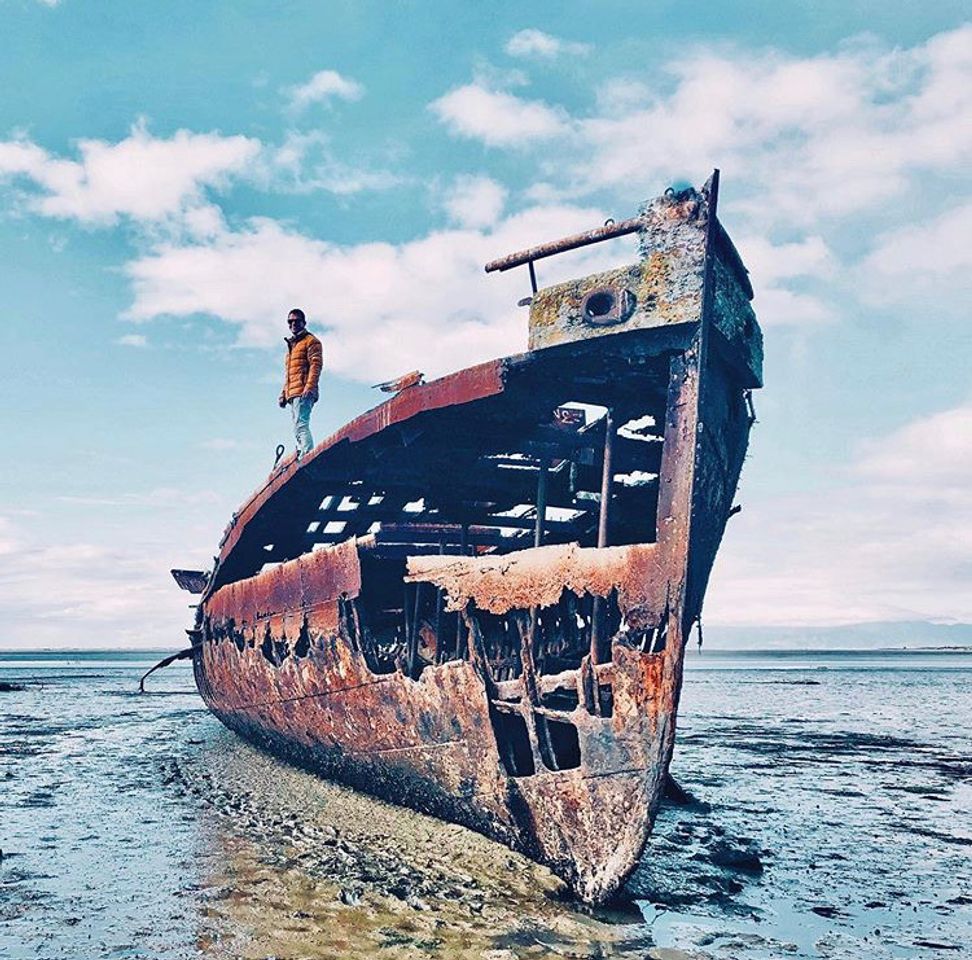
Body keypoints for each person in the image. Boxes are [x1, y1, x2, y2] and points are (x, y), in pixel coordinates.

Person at [277, 308, 323, 457]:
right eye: (290, 321)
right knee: (297, 427)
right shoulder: (292, 347)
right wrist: (284, 393)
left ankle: (307, 456)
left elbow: (316, 365)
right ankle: (303, 453)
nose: (293, 324)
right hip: (293, 393)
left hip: (303, 391)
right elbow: (290, 375)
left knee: (301, 425)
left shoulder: (311, 341)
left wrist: (309, 387)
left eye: (296, 321)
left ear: (304, 322)